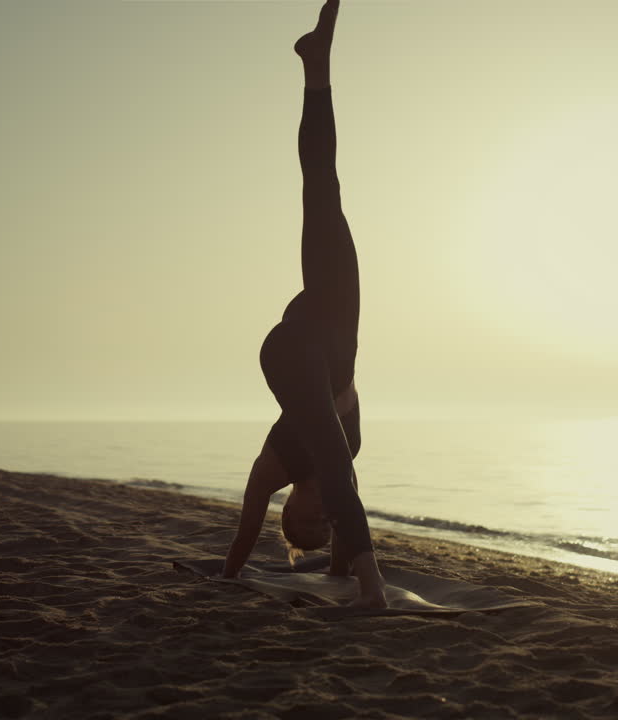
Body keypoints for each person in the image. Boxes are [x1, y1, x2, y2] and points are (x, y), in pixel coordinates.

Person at [220, 0, 387, 609]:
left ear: (289, 507)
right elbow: (347, 499)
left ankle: (375, 590)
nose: (316, 516)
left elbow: (243, 533)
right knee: (324, 188)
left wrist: (227, 578)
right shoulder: (349, 465)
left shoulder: (273, 469)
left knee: (325, 440)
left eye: (304, 522)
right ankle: (317, 71)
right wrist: (342, 561)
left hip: (289, 352)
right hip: (336, 319)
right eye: (324, 527)